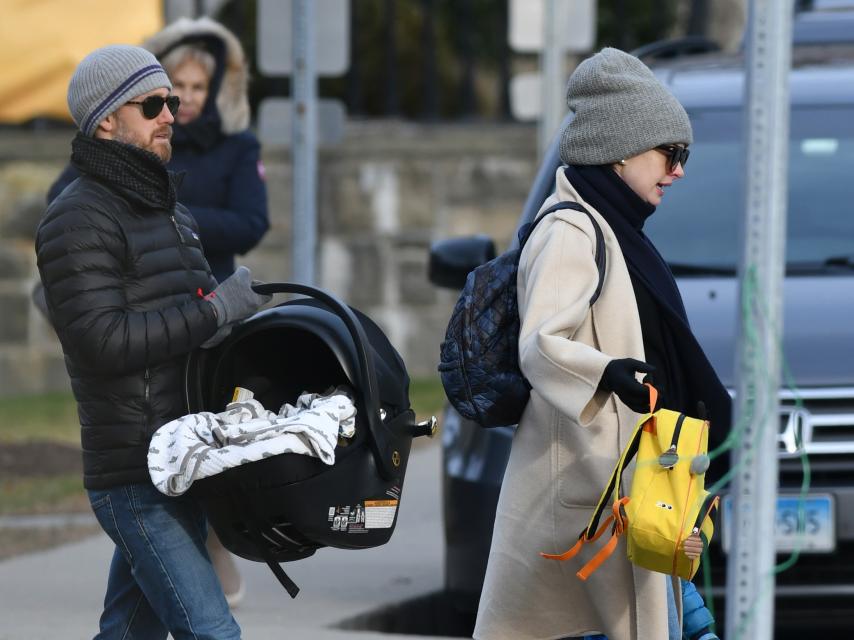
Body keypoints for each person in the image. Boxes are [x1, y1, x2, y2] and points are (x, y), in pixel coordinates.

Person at [472, 47, 731, 640]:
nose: (679, 171)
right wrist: (607, 372)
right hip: (589, 497)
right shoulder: (571, 229)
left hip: (632, 491)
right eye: (672, 153)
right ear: (622, 149)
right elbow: (541, 342)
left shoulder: (616, 230)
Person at [35, 44, 270, 639]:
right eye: (154, 103)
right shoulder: (76, 217)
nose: (172, 112)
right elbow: (101, 342)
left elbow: (194, 332)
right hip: (136, 473)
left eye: (172, 99)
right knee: (214, 632)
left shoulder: (168, 208)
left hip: (183, 459)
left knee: (128, 632)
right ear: (106, 120)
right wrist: (214, 308)